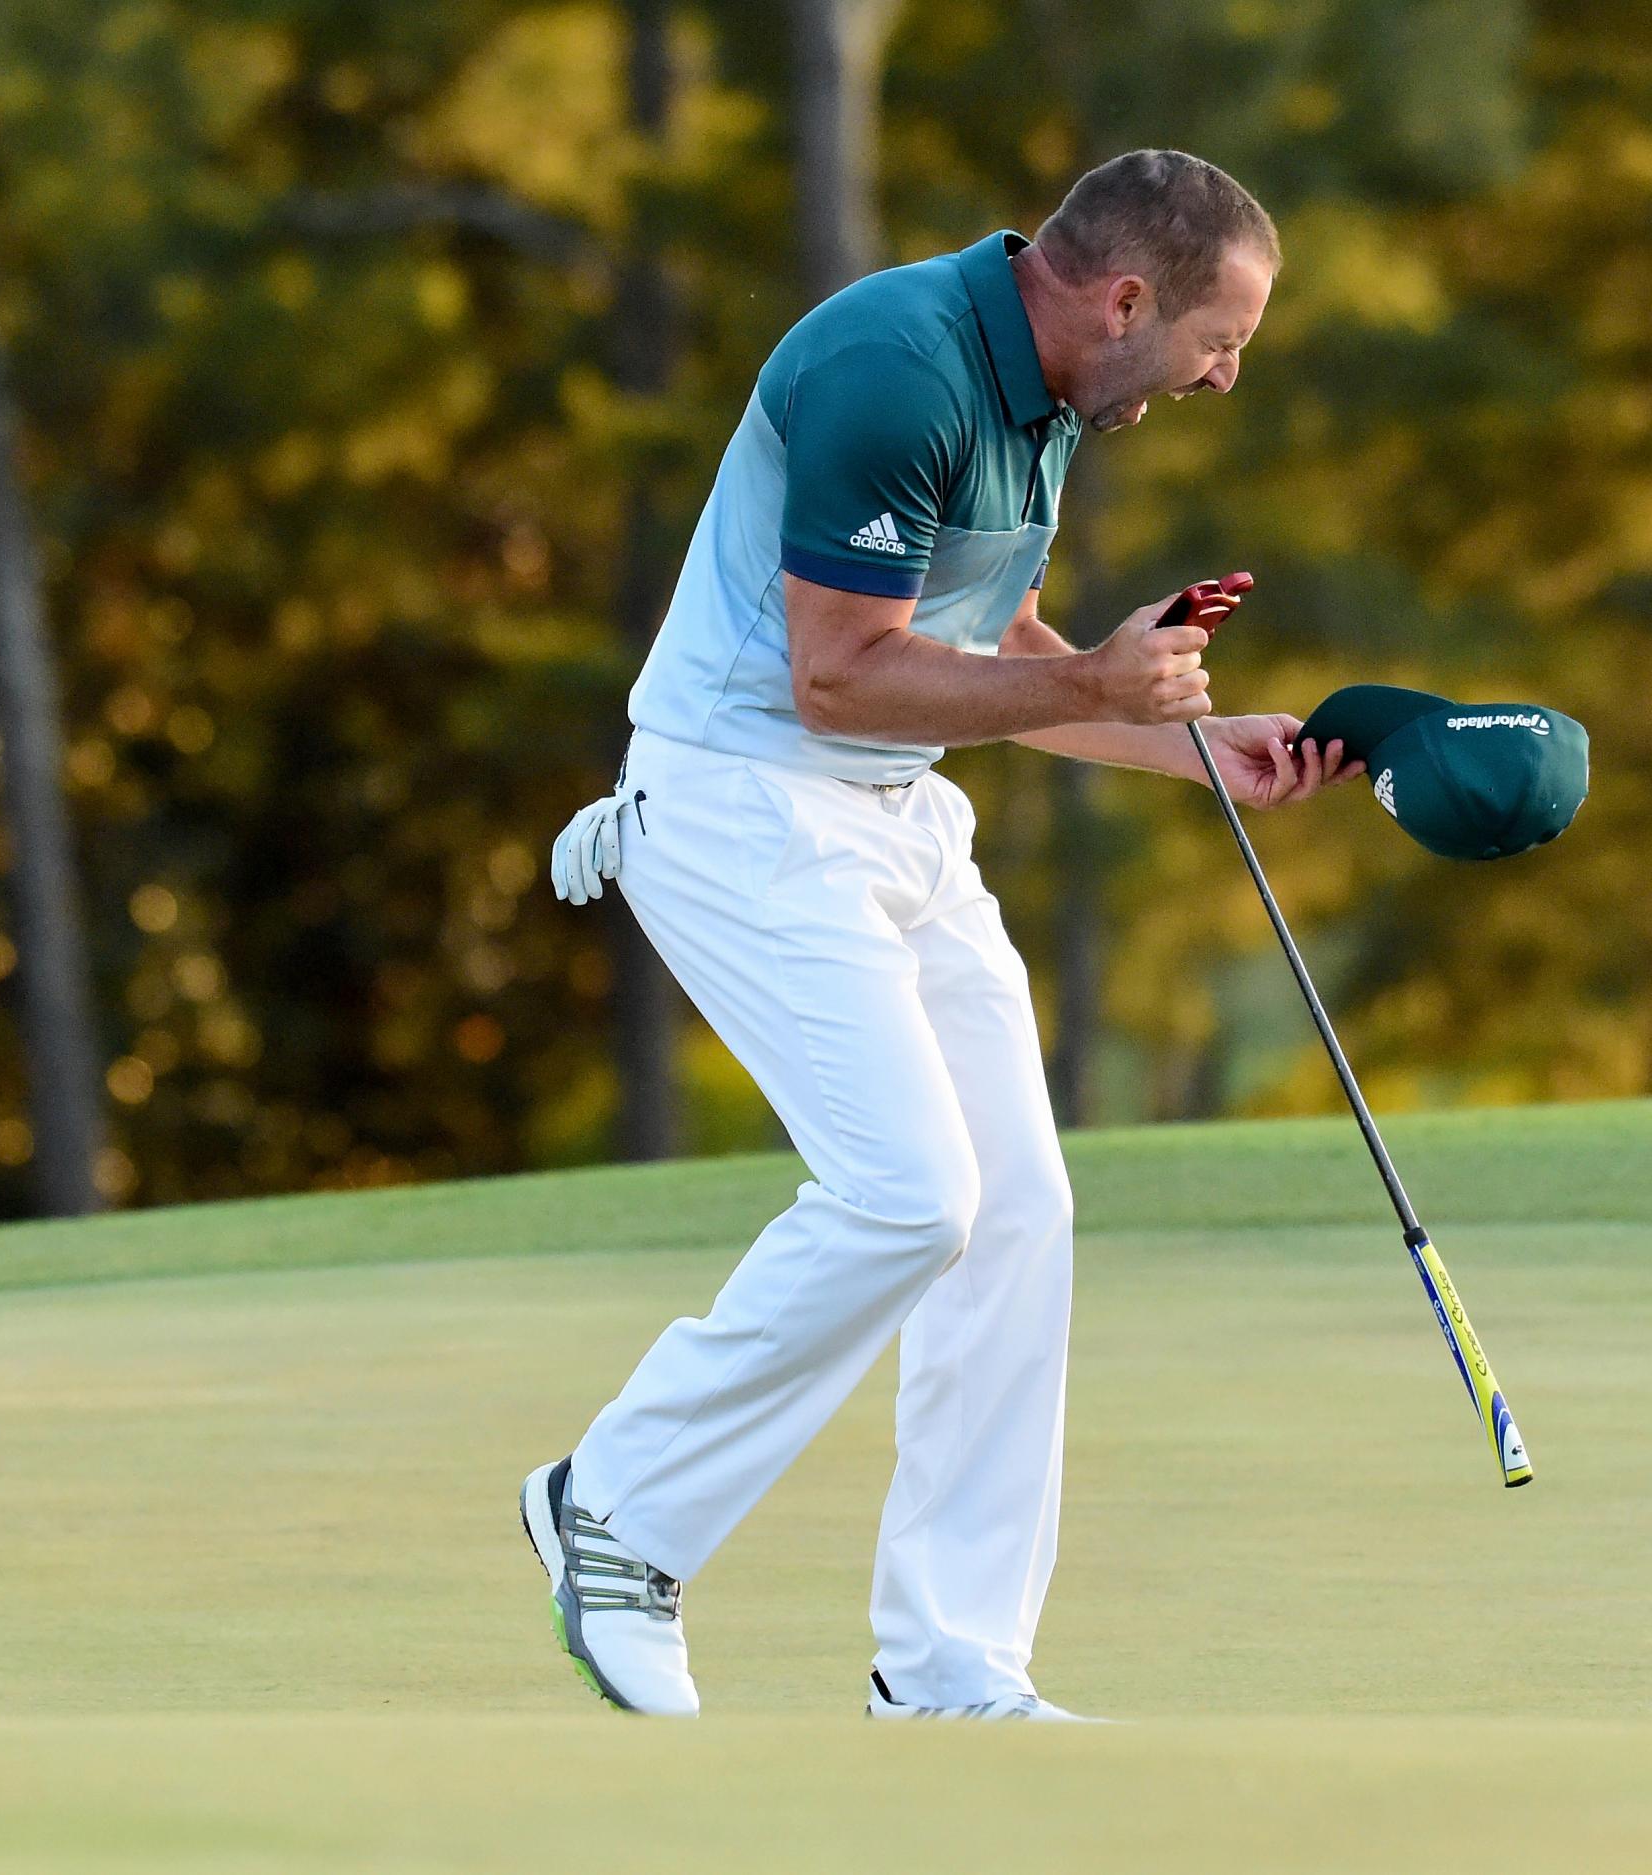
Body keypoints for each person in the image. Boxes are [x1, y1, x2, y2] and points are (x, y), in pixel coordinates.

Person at [530, 149, 1359, 1720]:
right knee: (912, 1197)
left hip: (894, 816)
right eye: (1220, 340)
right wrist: (1095, 688)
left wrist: (1204, 749)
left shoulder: (1049, 398)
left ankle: (951, 1661)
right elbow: (838, 673)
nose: (1226, 376)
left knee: (1018, 1210)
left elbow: (1001, 648)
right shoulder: (891, 369)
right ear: (1127, 300)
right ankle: (614, 1510)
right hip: (741, 801)